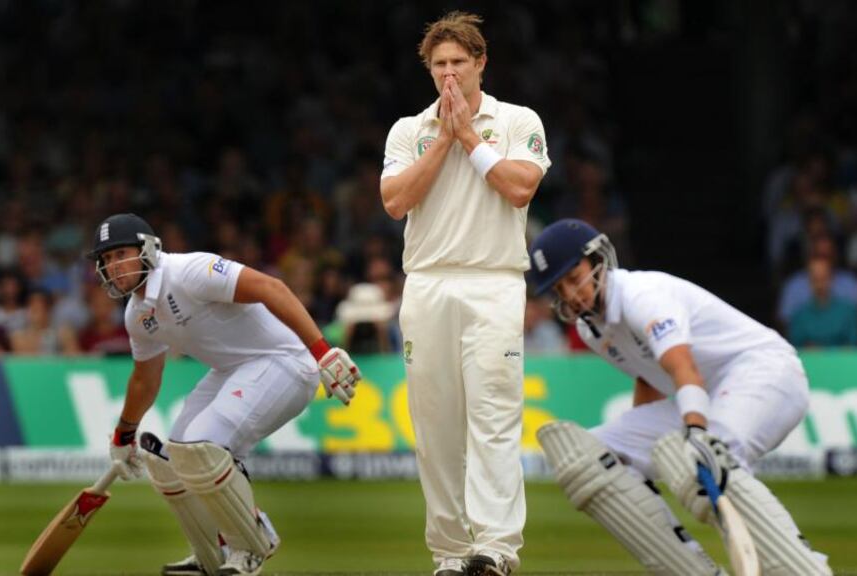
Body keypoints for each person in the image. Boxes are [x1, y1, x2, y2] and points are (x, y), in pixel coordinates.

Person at [529, 219, 832, 575]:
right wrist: (635, 460)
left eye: (573, 276)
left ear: (596, 259)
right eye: (559, 289)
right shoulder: (592, 329)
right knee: (587, 457)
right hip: (709, 394)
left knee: (704, 458)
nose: (571, 294)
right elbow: (647, 379)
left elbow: (683, 366)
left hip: (766, 373)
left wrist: (696, 431)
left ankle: (805, 570)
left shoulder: (642, 295)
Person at [87, 213, 362, 576]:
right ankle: (211, 556)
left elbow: (272, 288)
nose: (114, 266)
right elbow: (146, 377)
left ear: (148, 249)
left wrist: (322, 351)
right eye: (106, 260)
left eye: (120, 254)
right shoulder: (137, 315)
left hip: (284, 361)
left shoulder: (189, 271)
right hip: (232, 371)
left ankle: (251, 544)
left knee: (202, 448)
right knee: (168, 459)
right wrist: (125, 433)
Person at [379, 11, 551, 576]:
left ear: (481, 62)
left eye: (459, 62)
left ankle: (497, 548)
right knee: (434, 427)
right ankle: (451, 553)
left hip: (494, 282)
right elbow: (395, 202)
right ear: (429, 70)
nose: (449, 75)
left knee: (494, 417)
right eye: (439, 65)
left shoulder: (518, 120)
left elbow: (521, 188)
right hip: (426, 284)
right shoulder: (409, 130)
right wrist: (444, 141)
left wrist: (471, 138)